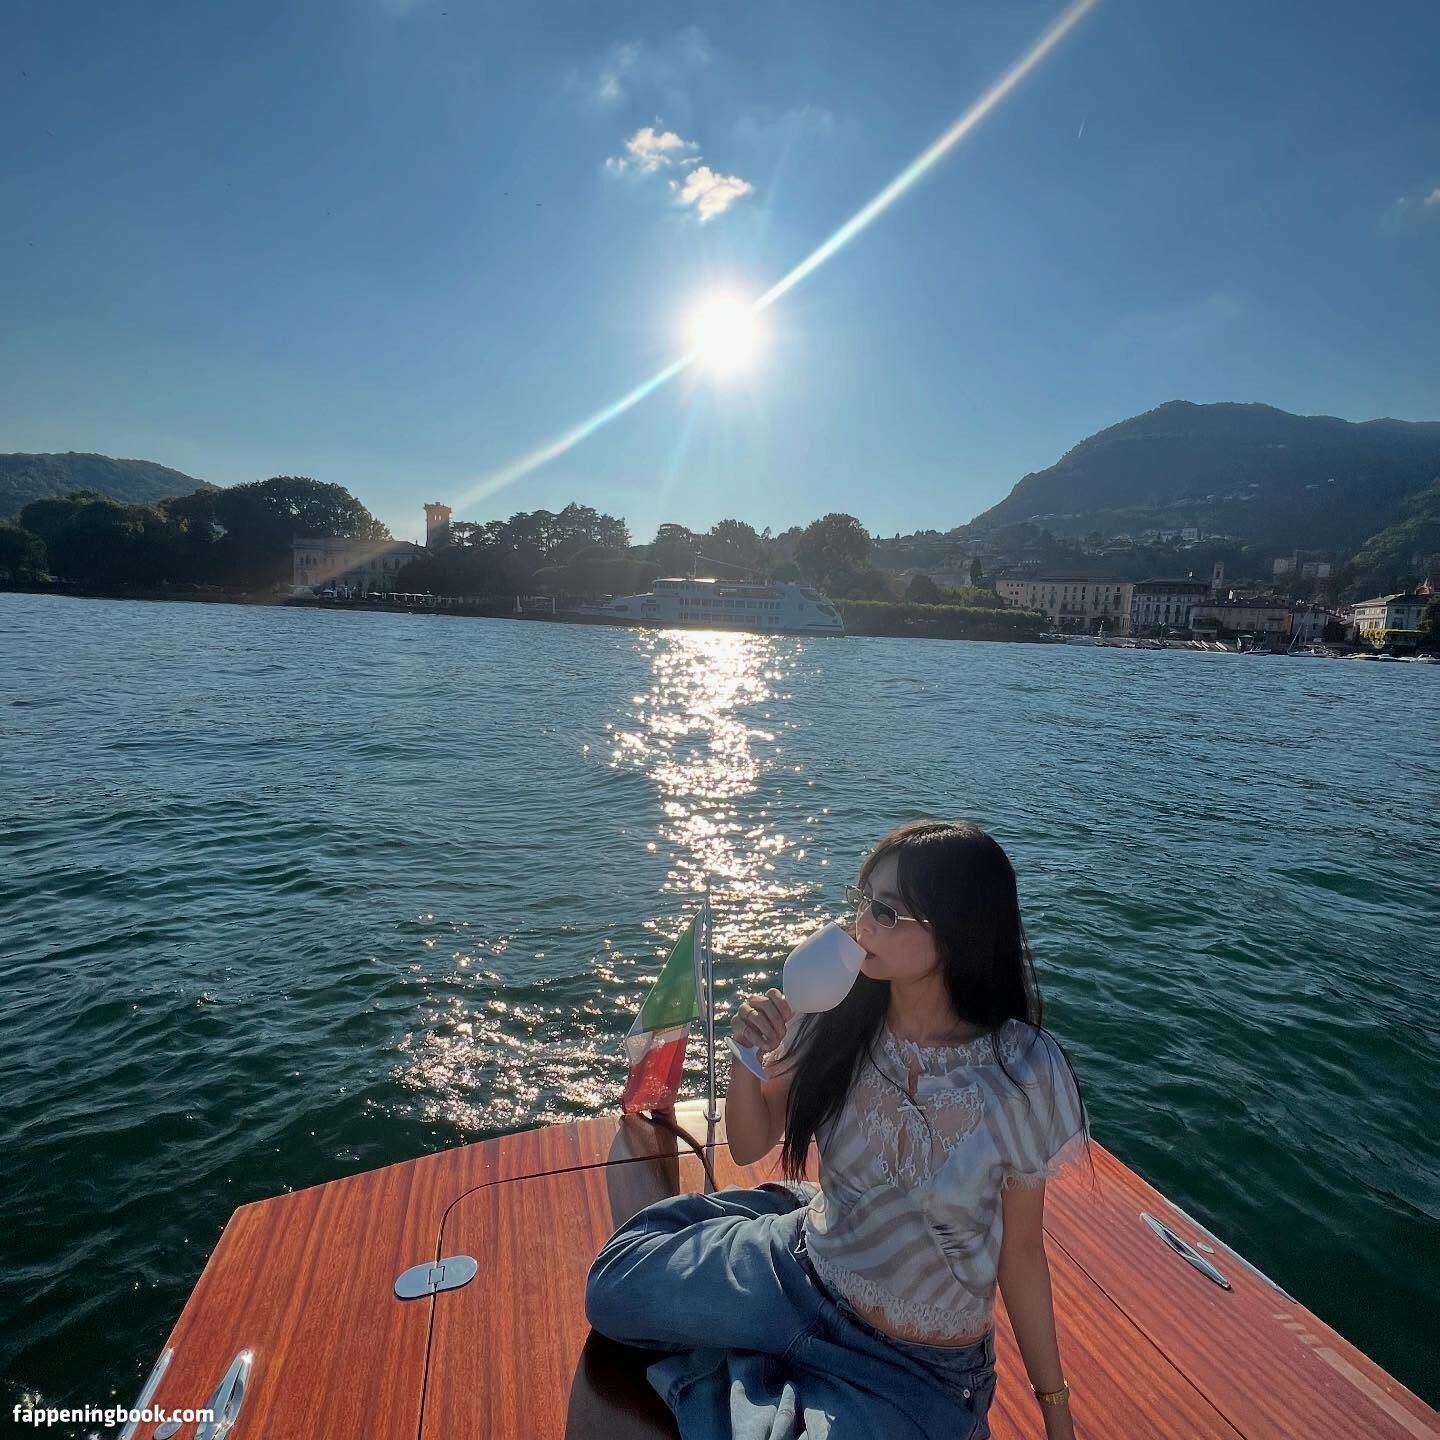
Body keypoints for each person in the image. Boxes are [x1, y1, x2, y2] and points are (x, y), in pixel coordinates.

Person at [585, 818, 1094, 1440]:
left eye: (886, 911)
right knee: (613, 1291)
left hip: (913, 1363)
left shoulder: (1021, 1071)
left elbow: (1021, 1254)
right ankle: (777, 1272)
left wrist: (1056, 1411)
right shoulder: (835, 1014)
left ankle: (757, 1358)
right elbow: (748, 1143)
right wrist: (747, 1058)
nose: (861, 924)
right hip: (801, 1273)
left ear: (958, 929)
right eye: (862, 899)